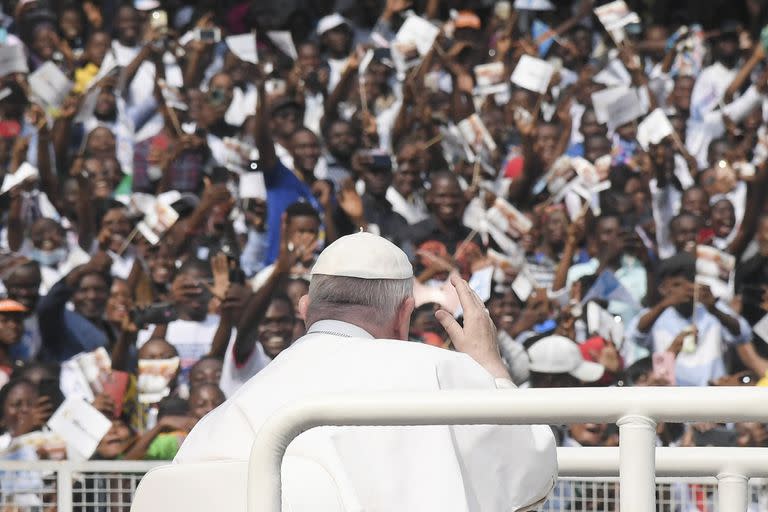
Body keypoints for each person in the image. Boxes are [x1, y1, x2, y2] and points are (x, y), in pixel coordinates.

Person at [175, 232, 557, 511]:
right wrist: (489, 365)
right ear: (404, 315)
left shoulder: (230, 407)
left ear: (305, 308)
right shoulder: (441, 372)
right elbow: (532, 474)